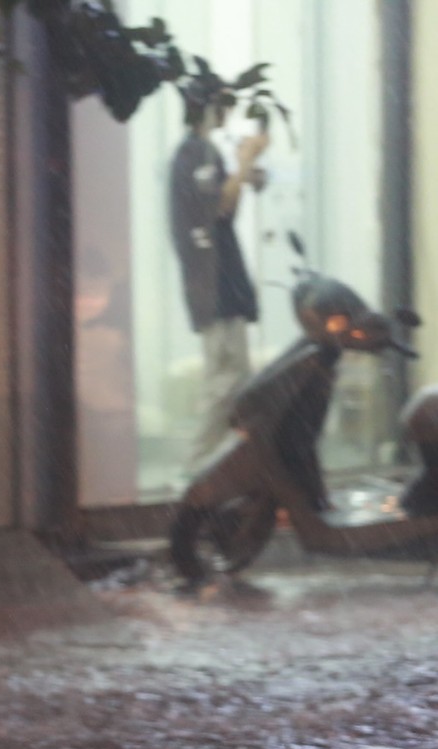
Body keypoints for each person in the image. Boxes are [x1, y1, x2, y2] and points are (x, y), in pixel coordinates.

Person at [170, 85, 269, 469]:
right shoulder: (194, 154)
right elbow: (219, 207)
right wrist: (244, 161)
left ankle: (218, 466)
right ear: (208, 110)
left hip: (221, 284)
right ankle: (198, 468)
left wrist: (243, 170)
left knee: (234, 380)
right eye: (222, 105)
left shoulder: (201, 153)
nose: (227, 113)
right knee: (224, 381)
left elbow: (226, 211)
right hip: (214, 286)